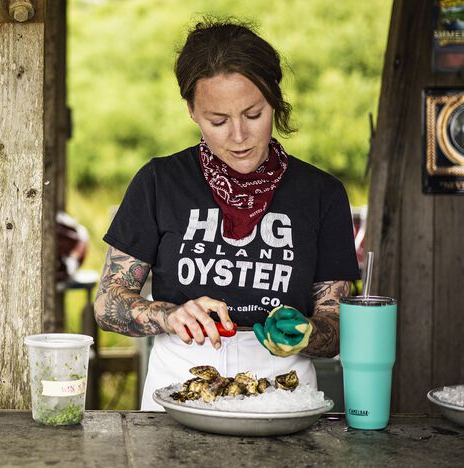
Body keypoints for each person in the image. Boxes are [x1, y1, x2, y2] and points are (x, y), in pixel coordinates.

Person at [94, 18, 360, 411]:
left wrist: (306, 334)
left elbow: (338, 325)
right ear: (192, 111)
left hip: (282, 396)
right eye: (218, 121)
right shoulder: (159, 182)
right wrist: (169, 315)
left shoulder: (321, 194)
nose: (238, 136)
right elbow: (106, 303)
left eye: (253, 115)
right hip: (179, 387)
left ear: (274, 100)